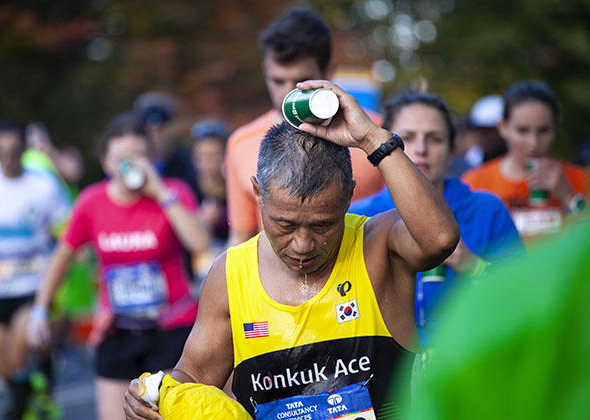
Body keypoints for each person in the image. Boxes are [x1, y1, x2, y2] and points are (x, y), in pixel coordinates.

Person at [123, 80, 460, 419]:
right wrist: (155, 395)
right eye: (284, 224)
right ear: (258, 193)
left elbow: (440, 239)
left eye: (322, 225)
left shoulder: (378, 245)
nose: (302, 245)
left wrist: (373, 139)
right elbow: (194, 376)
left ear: (348, 196)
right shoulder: (232, 274)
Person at [26, 112, 210, 420]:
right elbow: (62, 257)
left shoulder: (174, 193)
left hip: (171, 328)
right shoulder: (92, 202)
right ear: (106, 163)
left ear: (151, 158)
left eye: (139, 156)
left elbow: (200, 243)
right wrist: (40, 310)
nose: (130, 165)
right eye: (122, 158)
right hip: (117, 329)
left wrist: (160, 192)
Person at [349, 91, 524, 348]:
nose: (420, 149)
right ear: (380, 148)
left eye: (435, 139)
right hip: (387, 374)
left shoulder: (487, 209)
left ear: (453, 150)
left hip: (466, 362)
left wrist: (473, 266)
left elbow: (523, 296)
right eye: (405, 138)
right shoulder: (358, 216)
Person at [404, 213, 590, 419]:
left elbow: (524, 292)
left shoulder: (487, 209)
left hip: (477, 357)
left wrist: (471, 264)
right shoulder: (378, 214)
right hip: (412, 365)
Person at [225, 8, 386, 247]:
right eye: (278, 80)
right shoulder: (240, 145)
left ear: (329, 71)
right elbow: (241, 241)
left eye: (303, 81)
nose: (290, 92)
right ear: (265, 71)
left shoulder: (376, 135)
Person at [0, 118, 71, 419]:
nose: (9, 158)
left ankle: (23, 406)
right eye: (3, 151)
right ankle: (34, 392)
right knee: (3, 372)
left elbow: (65, 230)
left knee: (17, 357)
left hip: (32, 286)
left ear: (25, 147)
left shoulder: (44, 184)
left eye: (15, 150)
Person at [462, 81, 590, 239]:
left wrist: (569, 197)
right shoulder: (477, 183)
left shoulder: (580, 179)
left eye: (544, 130)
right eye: (522, 131)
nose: (534, 143)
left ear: (557, 125)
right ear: (503, 127)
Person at [190, 118, 230, 290]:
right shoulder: (187, 190)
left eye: (215, 155)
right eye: (204, 156)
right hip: (194, 277)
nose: (210, 163)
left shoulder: (236, 188)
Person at [133, 91, 197, 189]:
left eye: (161, 129)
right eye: (149, 129)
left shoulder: (185, 162)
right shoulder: (132, 161)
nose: (155, 135)